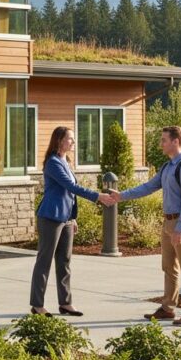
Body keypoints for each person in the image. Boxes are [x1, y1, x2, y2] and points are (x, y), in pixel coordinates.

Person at [109, 125, 181, 326]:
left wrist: (180, 228)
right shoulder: (167, 167)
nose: (161, 144)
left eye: (164, 140)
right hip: (168, 222)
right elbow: (148, 187)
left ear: (176, 141)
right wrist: (121, 196)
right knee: (168, 267)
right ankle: (168, 308)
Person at [29, 125, 114, 316]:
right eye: (70, 139)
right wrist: (97, 196)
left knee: (64, 261)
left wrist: (73, 217)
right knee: (44, 261)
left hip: (66, 218)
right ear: (59, 140)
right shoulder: (53, 163)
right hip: (51, 216)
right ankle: (37, 305)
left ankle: (65, 303)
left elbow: (70, 194)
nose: (73, 142)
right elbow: (70, 187)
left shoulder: (65, 160)